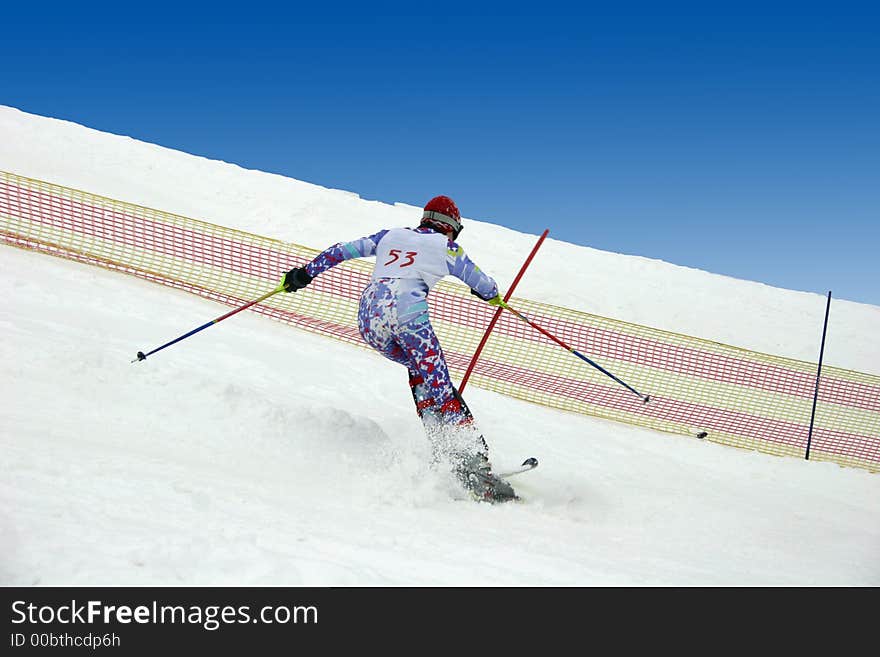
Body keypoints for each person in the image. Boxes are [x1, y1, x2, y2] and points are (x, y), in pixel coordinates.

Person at [282, 195, 517, 503]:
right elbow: (485, 285)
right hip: (409, 319)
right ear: (451, 228)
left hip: (369, 320)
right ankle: (475, 464)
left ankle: (443, 445)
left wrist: (305, 274)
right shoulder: (448, 249)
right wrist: (489, 295)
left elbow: (341, 251)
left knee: (420, 372)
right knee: (440, 385)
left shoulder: (389, 235)